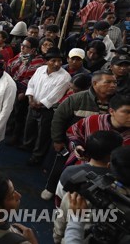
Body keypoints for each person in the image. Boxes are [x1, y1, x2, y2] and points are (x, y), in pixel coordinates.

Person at [41, 70, 117, 200]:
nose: (113, 85)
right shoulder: (77, 99)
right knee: (60, 166)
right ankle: (51, 188)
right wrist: (57, 140)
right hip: (73, 143)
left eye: (114, 82)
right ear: (95, 83)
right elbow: (59, 119)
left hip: (101, 148)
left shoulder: (117, 102)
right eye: (108, 82)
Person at [23, 47, 71, 166]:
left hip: (47, 109)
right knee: (29, 127)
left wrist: (39, 104)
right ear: (46, 61)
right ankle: (28, 146)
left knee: (42, 134)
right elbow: (31, 84)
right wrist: (30, 98)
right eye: (53, 61)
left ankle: (37, 156)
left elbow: (55, 95)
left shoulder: (65, 77)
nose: (57, 64)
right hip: (32, 104)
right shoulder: (40, 70)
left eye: (59, 61)